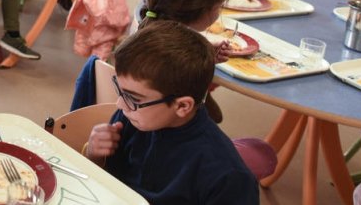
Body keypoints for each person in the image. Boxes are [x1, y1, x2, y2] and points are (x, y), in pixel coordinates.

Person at [84, 20, 259, 204]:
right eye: (121, 91)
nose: (120, 104)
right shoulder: (131, 118)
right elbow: (107, 183)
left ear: (182, 106)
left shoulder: (227, 178)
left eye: (134, 98)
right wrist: (94, 155)